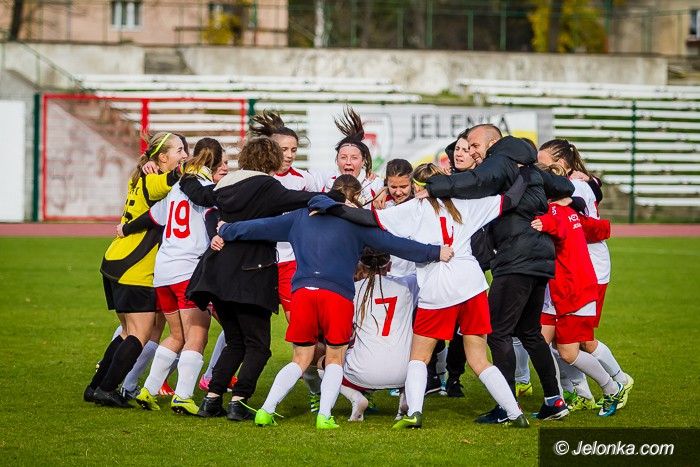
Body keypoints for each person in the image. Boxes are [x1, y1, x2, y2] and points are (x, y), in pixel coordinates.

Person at [214, 181, 453, 429]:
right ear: (354, 199)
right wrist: (434, 252)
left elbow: (258, 227)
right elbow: (395, 244)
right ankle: (324, 416)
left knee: (300, 358)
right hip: (337, 294)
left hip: (303, 293)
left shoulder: (299, 217)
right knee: (335, 358)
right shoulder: (354, 223)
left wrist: (226, 229)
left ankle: (266, 410)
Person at [317, 162, 532, 428]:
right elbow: (510, 200)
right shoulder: (465, 204)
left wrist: (330, 205)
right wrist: (527, 172)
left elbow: (368, 219)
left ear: (418, 187)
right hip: (472, 285)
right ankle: (514, 413)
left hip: (437, 286)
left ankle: (415, 413)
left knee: (419, 357)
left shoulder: (414, 208)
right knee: (478, 359)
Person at [178, 137, 343, 421]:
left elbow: (199, 194)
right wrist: (336, 197)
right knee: (258, 345)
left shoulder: (225, 183)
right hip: (251, 272)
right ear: (271, 159)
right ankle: (239, 401)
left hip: (217, 271)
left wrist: (183, 176)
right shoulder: (268, 186)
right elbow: (300, 199)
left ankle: (212, 399)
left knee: (235, 341)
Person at [418, 124, 575, 422]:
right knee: (529, 332)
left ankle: (507, 406)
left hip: (516, 258)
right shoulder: (525, 165)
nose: (473, 152)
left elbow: (476, 180)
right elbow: (564, 187)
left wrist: (433, 187)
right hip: (540, 258)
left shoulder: (501, 160)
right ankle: (554, 401)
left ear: (492, 143)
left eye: (475, 146)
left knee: (498, 333)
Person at [118, 138, 227, 415]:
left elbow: (153, 217)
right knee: (197, 335)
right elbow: (211, 218)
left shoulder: (176, 187)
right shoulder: (206, 189)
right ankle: (183, 396)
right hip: (187, 270)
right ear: (214, 162)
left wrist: (125, 228)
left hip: (163, 272)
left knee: (176, 335)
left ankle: (148, 390)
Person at [84, 131, 186, 408]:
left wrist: (152, 164)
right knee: (140, 334)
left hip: (116, 259)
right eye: (179, 150)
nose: (184, 155)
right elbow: (177, 176)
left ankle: (95, 387)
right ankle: (107, 389)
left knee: (127, 332)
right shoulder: (153, 180)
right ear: (162, 157)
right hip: (135, 266)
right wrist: (198, 162)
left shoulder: (141, 176)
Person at [537, 139, 633, 411]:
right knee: (561, 341)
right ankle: (580, 392)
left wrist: (564, 214)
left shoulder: (573, 188)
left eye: (542, 164)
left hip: (583, 270)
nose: (538, 169)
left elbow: (588, 225)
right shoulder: (576, 184)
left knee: (580, 340)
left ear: (559, 164)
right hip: (570, 269)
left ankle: (618, 381)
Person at [250, 110, 324, 412]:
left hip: (292, 264)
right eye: (284, 149)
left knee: (303, 332)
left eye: (294, 149)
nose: (290, 155)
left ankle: (316, 389)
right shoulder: (257, 180)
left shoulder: (304, 179)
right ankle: (215, 379)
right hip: (258, 262)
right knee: (242, 327)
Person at [339, 248, 419, 422]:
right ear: (389, 265)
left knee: (326, 363)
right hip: (404, 373)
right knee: (419, 357)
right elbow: (423, 271)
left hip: (362, 373)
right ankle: (407, 394)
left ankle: (356, 397)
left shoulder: (352, 290)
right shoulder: (407, 285)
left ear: (361, 265)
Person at [318, 107, 384, 207]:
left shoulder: (376, 184)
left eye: (354, 158)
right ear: (336, 160)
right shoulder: (324, 181)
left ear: (363, 161)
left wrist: (385, 189)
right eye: (343, 157)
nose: (348, 162)